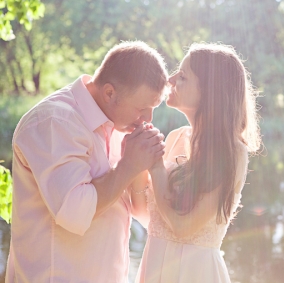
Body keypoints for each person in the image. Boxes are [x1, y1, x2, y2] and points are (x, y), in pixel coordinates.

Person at [6, 41, 168, 282]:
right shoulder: (56, 121)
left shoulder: (118, 123)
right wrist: (129, 165)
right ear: (110, 93)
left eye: (153, 108)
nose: (148, 118)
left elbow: (143, 216)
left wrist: (146, 166)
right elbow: (75, 212)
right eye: (142, 108)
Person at [132, 43, 261, 282]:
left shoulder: (233, 151)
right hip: (155, 268)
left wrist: (157, 167)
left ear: (209, 91)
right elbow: (149, 215)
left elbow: (182, 227)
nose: (170, 79)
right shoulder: (175, 137)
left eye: (182, 76)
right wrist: (137, 162)